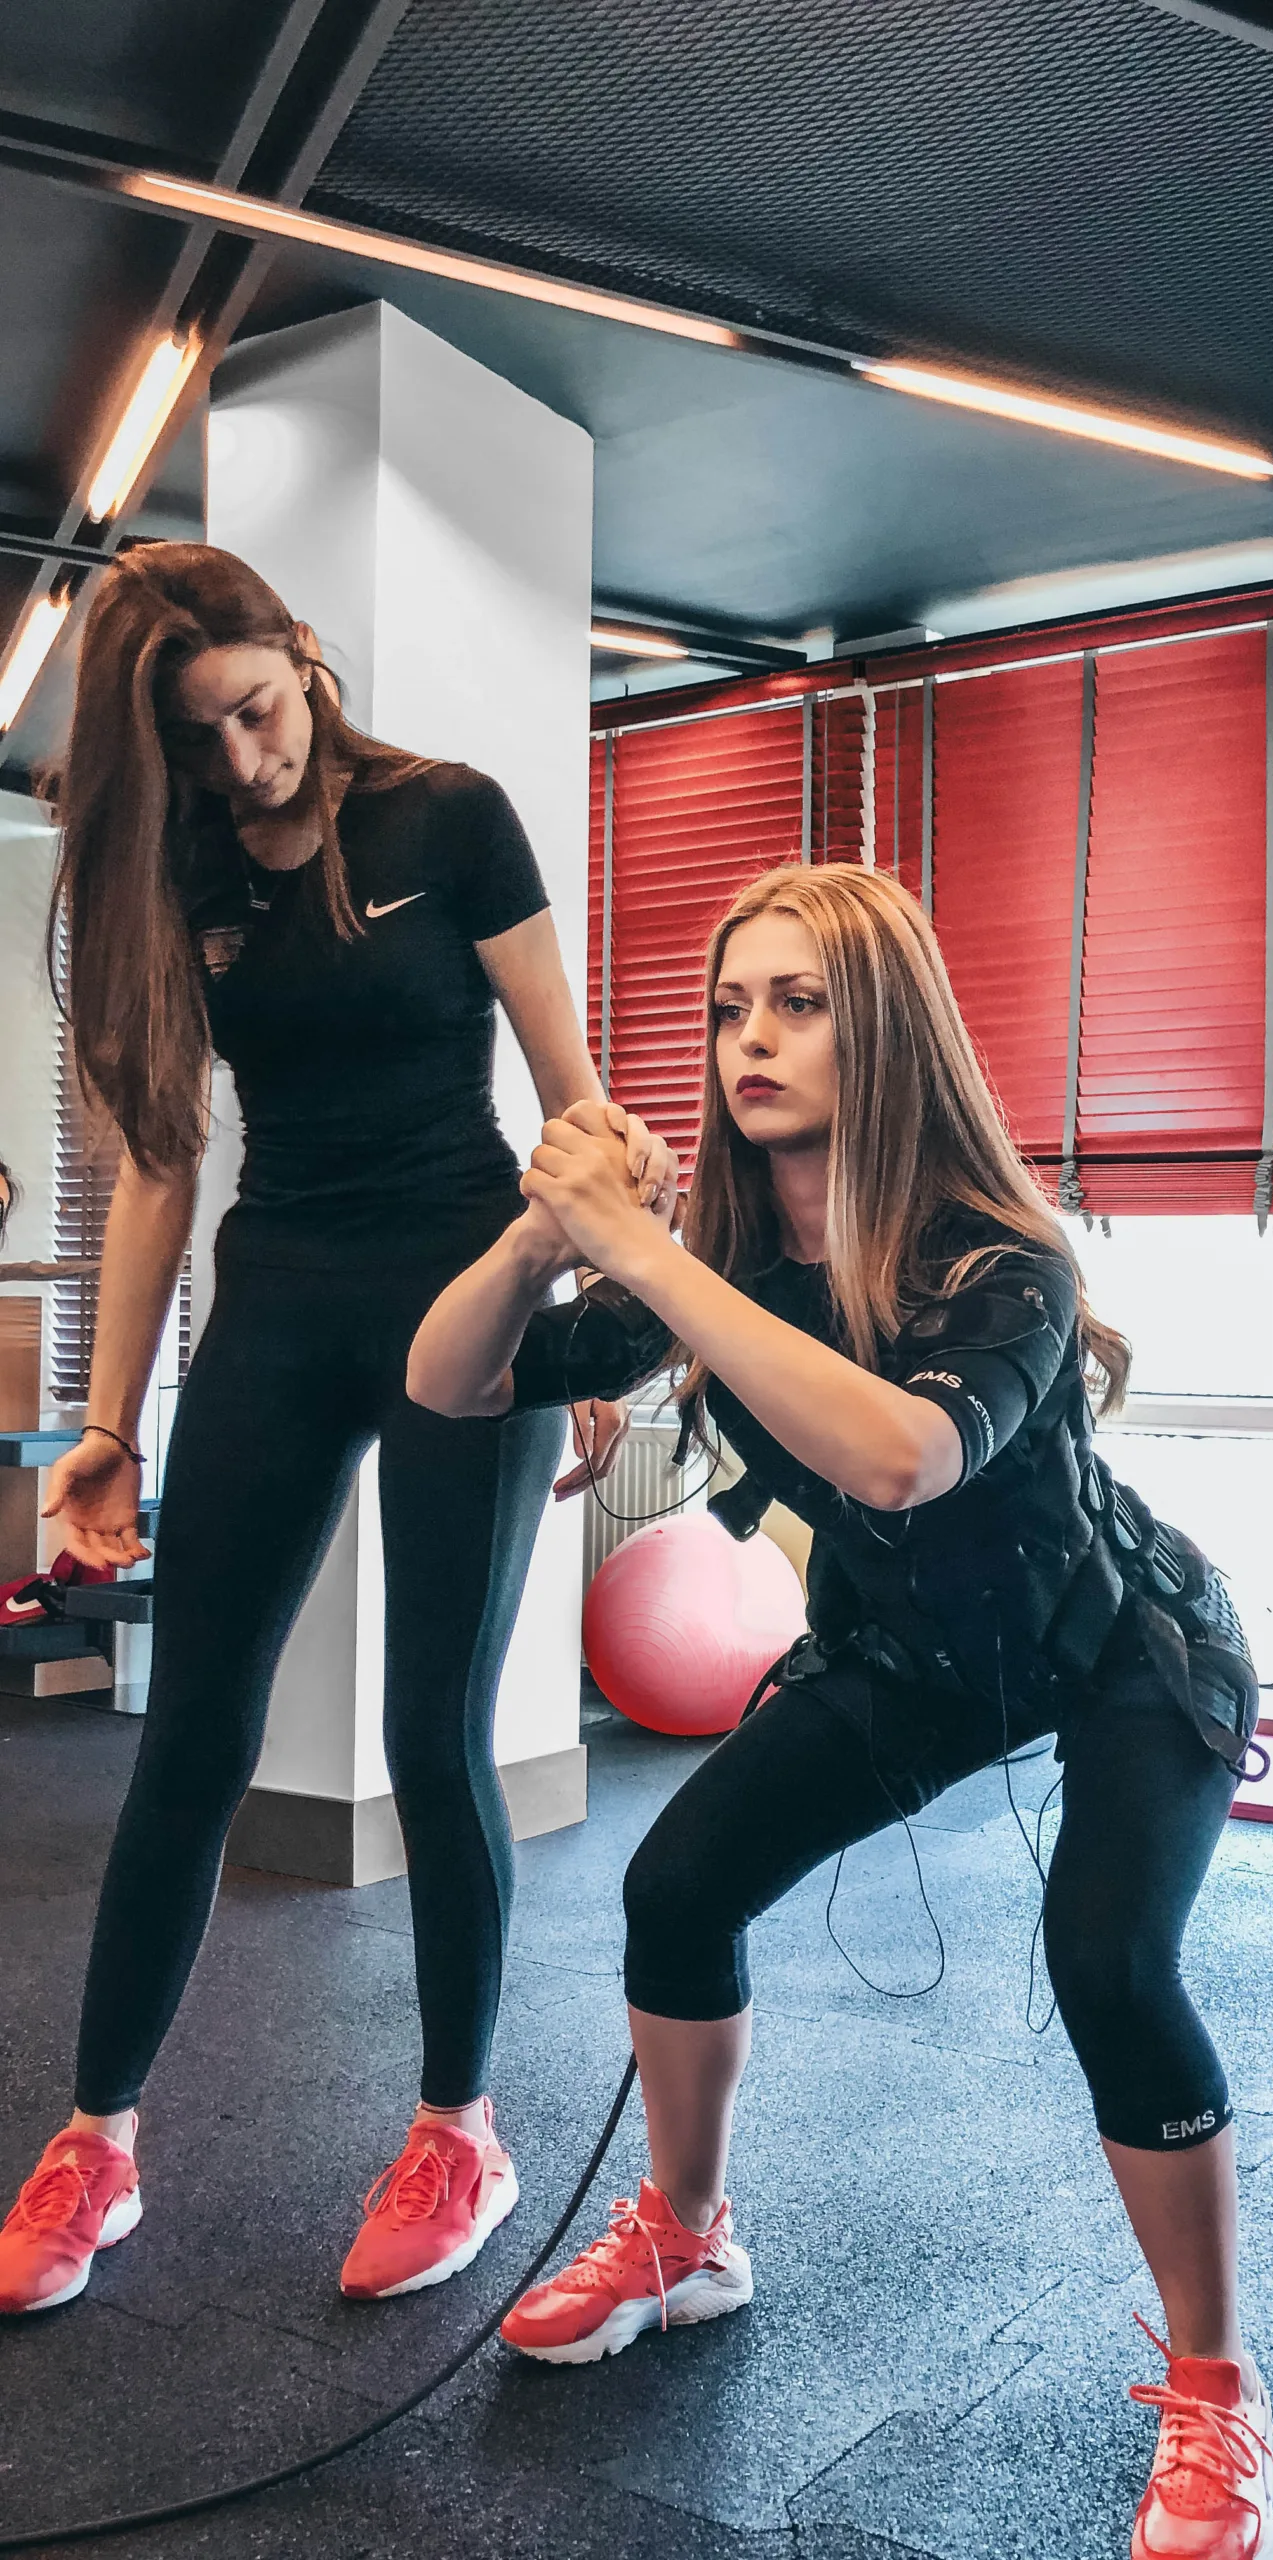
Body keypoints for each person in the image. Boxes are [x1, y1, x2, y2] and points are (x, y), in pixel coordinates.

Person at [409, 863, 1273, 2560]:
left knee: (1109, 1958)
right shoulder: (730, 1255)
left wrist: (648, 1260)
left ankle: (1218, 2381)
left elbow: (899, 1448)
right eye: (732, 1005)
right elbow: (447, 1384)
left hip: (1121, 1647)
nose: (751, 1037)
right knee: (676, 1889)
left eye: (797, 1003)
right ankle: (686, 2229)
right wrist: (542, 1234)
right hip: (911, 1658)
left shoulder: (999, 1257)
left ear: (880, 1029)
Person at [0, 544, 631, 2320]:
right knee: (191, 1733)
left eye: (260, 713)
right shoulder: (183, 863)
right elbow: (154, 1162)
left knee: (438, 1734)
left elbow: (573, 1102)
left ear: (303, 656)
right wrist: (106, 1423)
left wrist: (598, 1346)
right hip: (276, 1300)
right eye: (203, 743)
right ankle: (98, 2140)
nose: (247, 765)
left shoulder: (452, 822)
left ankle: (459, 2130)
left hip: (467, 1293)